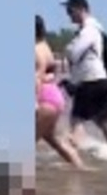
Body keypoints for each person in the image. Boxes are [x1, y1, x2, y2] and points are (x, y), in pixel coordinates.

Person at [62, 0, 107, 158]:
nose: (68, 14)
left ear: (81, 9)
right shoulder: (96, 29)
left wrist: (68, 49)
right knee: (104, 122)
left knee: (75, 121)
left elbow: (74, 54)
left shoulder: (89, 30)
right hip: (101, 80)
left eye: (70, 10)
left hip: (90, 82)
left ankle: (76, 158)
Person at [35, 15, 88, 170]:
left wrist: (35, 103)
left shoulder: (34, 50)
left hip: (44, 100)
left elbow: (37, 78)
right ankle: (82, 169)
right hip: (55, 97)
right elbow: (50, 73)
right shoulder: (45, 47)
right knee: (54, 140)